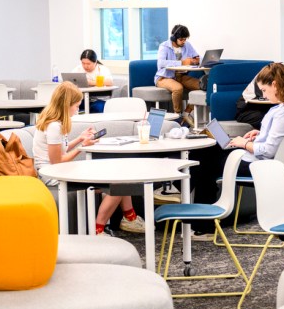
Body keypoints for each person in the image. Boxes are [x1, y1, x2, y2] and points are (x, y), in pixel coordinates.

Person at [32, 81, 144, 236]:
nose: (77, 110)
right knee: (119, 183)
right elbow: (56, 162)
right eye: (76, 106)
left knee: (120, 177)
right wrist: (81, 147)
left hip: (57, 169)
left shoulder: (56, 123)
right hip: (51, 175)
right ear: (66, 104)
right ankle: (98, 229)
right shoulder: (54, 127)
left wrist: (79, 139)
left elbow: (60, 150)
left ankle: (129, 217)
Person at [192, 63, 284, 207]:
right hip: (268, 163)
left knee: (203, 160)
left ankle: (197, 214)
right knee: (209, 152)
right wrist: (263, 133)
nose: (264, 96)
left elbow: (268, 151)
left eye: (264, 90)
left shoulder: (282, 113)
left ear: (274, 85)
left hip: (259, 165)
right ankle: (199, 212)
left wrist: (244, 144)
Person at [154, 24, 201, 127]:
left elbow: (197, 56)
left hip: (180, 76)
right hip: (164, 77)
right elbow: (161, 63)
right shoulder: (164, 46)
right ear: (174, 38)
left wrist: (196, 60)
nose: (184, 42)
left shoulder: (187, 45)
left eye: (185, 39)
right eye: (181, 40)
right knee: (178, 88)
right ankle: (177, 117)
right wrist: (182, 63)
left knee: (202, 86)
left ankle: (186, 113)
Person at [74, 49, 113, 113]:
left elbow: (110, 82)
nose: (85, 66)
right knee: (69, 105)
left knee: (96, 108)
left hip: (99, 99)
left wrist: (90, 82)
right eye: (83, 63)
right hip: (83, 99)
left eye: (88, 64)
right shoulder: (78, 69)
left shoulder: (102, 69)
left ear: (95, 62)